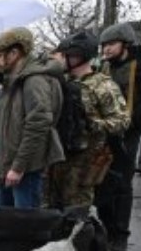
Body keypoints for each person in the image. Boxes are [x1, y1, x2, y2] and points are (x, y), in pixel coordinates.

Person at [95, 22, 141, 251]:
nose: (106, 49)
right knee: (101, 181)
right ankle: (106, 228)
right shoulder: (104, 67)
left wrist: (129, 123)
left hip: (128, 132)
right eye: (104, 45)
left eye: (111, 44)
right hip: (105, 132)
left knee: (122, 183)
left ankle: (120, 235)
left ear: (125, 44)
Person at [45, 33, 129, 211]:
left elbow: (122, 120)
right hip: (59, 157)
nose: (58, 59)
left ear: (76, 56)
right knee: (53, 209)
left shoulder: (102, 85)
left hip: (85, 160)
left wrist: (92, 122)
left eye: (62, 55)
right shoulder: (62, 82)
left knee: (77, 211)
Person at [0, 26, 64, 209]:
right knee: (8, 223)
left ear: (14, 53)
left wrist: (18, 167)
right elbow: (2, 112)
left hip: (24, 170)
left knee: (25, 226)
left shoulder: (34, 80)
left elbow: (38, 125)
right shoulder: (12, 80)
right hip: (9, 166)